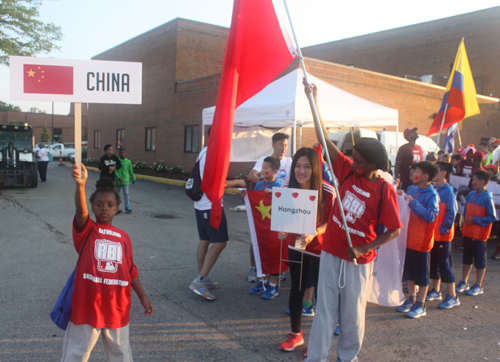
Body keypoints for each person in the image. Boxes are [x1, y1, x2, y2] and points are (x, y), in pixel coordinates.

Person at [304, 82, 402, 362]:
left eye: (358, 158)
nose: (353, 159)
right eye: (354, 155)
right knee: (324, 309)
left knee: (352, 313)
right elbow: (324, 138)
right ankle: (317, 357)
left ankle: (347, 357)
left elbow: (394, 230)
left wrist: (363, 247)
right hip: (331, 251)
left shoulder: (384, 189)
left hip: (359, 260)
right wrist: (313, 100)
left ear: (372, 165)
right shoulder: (347, 170)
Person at [63, 165, 154, 361]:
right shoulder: (87, 230)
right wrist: (81, 185)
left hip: (117, 306)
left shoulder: (124, 237)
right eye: (99, 204)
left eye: (110, 204)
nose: (104, 207)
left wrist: (143, 297)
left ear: (116, 208)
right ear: (93, 206)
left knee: (120, 355)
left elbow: (131, 270)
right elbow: (80, 211)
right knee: (76, 354)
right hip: (86, 306)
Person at [277, 147, 336, 351]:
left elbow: (333, 222)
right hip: (298, 246)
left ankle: (320, 341)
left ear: (316, 168)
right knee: (297, 289)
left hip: (322, 249)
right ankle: (296, 334)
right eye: (297, 166)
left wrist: (315, 231)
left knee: (323, 294)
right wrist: (282, 231)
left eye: (307, 166)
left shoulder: (328, 190)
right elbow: (283, 218)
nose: (300, 171)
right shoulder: (286, 188)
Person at [189, 128, 246, 301]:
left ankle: (203, 278)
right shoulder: (212, 154)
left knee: (205, 240)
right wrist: (238, 182)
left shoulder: (205, 151)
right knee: (220, 242)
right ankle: (199, 280)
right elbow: (216, 183)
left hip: (201, 204)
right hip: (210, 205)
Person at [247, 132, 292, 282]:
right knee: (258, 236)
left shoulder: (289, 162)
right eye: (281, 144)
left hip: (280, 209)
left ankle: (277, 271)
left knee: (277, 240)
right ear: (273, 145)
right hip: (264, 207)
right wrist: (266, 179)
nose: (283, 148)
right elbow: (251, 175)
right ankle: (255, 268)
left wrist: (277, 192)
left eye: (286, 145)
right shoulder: (264, 160)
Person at [396, 162, 439, 319]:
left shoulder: (432, 195)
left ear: (425, 176)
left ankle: (421, 304)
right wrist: (400, 194)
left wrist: (413, 202)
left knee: (421, 275)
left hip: (422, 242)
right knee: (410, 272)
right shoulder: (412, 189)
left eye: (416, 171)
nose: (412, 172)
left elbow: (430, 216)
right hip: (409, 238)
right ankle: (411, 299)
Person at [242, 156, 284, 299]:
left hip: (275, 228)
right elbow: (254, 201)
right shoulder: (259, 185)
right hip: (262, 228)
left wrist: (275, 195)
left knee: (273, 254)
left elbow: (286, 201)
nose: (263, 170)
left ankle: (273, 286)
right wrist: (246, 196)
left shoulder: (280, 185)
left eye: (266, 168)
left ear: (275, 171)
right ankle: (263, 282)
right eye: (263, 167)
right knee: (262, 252)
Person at [456, 170, 496, 296]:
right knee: (466, 259)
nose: (472, 182)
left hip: (479, 236)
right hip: (468, 233)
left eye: (474, 180)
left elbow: (492, 217)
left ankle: (478, 285)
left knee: (479, 261)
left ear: (482, 182)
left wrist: (475, 220)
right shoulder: (472, 194)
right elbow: (466, 211)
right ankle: (464, 281)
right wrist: (463, 223)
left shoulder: (487, 198)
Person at [428, 161, 460, 309]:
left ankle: (453, 295)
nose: (433, 172)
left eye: (437, 170)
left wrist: (443, 229)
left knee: (445, 264)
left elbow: (451, 213)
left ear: (443, 173)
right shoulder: (435, 189)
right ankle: (436, 290)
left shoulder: (448, 191)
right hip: (434, 235)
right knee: (434, 262)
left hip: (443, 235)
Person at [395, 127, 423, 192]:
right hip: (406, 181)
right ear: (408, 137)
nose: (415, 133)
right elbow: (397, 165)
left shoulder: (419, 148)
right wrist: (397, 179)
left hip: (417, 182)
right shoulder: (403, 148)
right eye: (412, 132)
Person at [115, 149, 136, 214]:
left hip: (126, 180)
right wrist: (118, 177)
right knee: (116, 194)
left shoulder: (128, 162)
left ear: (125, 153)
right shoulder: (117, 161)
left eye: (123, 152)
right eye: (121, 153)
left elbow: (131, 171)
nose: (122, 154)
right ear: (119, 154)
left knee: (126, 194)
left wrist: (133, 178)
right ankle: (116, 208)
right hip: (118, 181)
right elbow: (115, 170)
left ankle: (127, 207)